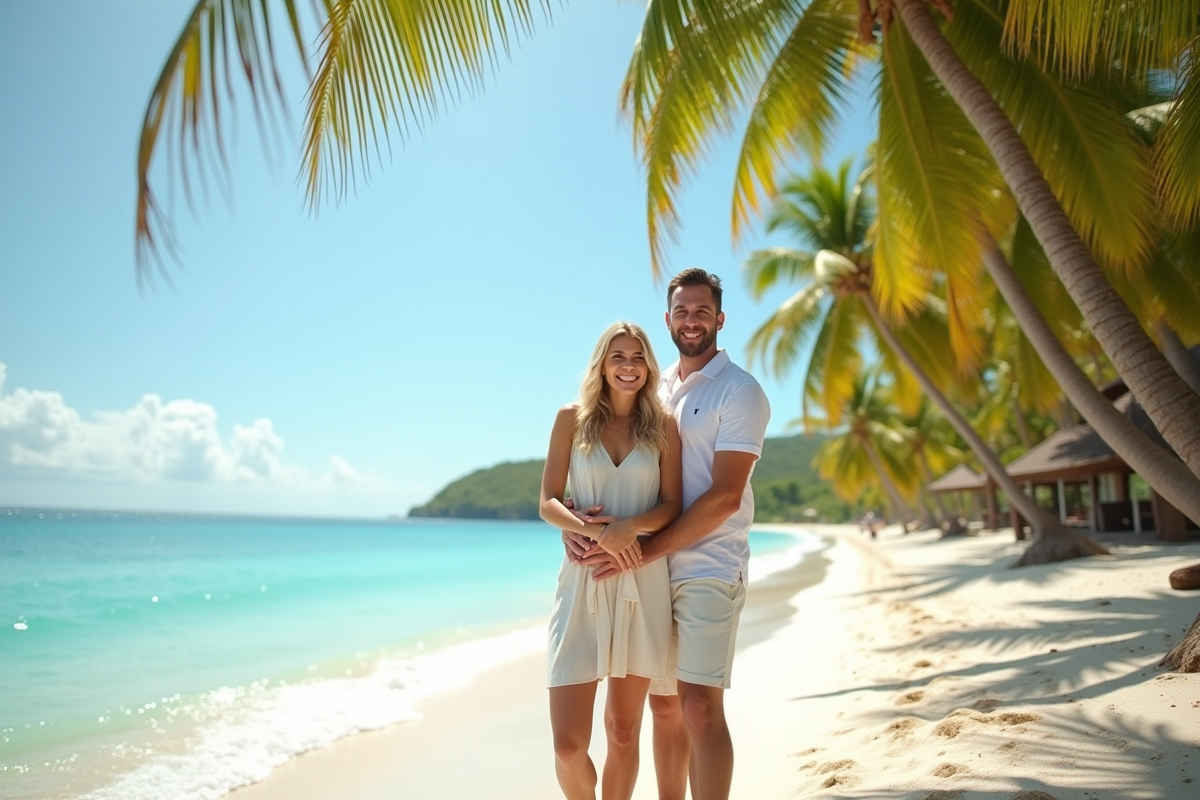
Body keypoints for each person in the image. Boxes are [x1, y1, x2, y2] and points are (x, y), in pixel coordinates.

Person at [566, 269, 771, 800]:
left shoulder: (740, 392)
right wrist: (573, 520)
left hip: (709, 566)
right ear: (668, 320)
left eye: (702, 310)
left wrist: (644, 547)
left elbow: (725, 497)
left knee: (700, 705)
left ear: (720, 318)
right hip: (652, 574)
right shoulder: (655, 389)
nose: (692, 320)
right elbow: (601, 460)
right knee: (663, 706)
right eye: (682, 311)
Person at [540, 321, 684, 800]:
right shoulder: (571, 418)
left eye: (638, 357)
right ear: (602, 363)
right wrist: (588, 529)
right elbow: (548, 502)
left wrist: (630, 527)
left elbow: (671, 506)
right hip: (581, 580)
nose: (628, 366)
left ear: (649, 367)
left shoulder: (663, 425)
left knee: (623, 731)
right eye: (619, 356)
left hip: (641, 580)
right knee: (567, 746)